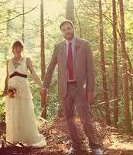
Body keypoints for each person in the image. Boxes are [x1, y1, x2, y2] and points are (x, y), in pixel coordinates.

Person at [40, 20, 103, 155]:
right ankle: (76, 146)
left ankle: (95, 146)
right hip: (65, 89)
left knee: (85, 119)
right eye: (63, 30)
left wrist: (91, 89)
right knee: (69, 120)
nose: (66, 31)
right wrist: (45, 85)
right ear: (62, 32)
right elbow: (51, 68)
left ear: (73, 29)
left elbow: (90, 69)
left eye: (68, 28)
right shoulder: (58, 47)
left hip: (80, 88)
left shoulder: (84, 45)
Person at [3, 40, 46, 147]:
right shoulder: (8, 62)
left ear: (22, 49)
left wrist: (42, 85)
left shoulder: (27, 60)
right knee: (14, 113)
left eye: (19, 47)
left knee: (25, 112)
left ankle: (27, 138)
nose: (17, 49)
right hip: (12, 90)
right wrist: (5, 90)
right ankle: (15, 139)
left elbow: (34, 74)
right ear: (12, 49)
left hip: (24, 89)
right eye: (15, 47)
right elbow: (7, 77)